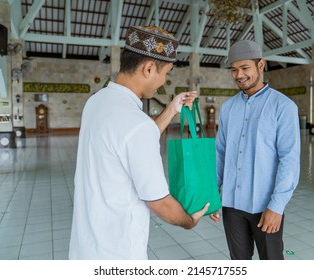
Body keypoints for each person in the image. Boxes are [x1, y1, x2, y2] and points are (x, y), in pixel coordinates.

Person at [69, 26, 209, 260]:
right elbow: (160, 203)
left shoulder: (97, 101)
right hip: (119, 255)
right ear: (149, 68)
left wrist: (172, 109)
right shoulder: (136, 124)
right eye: (166, 73)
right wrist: (189, 221)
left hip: (85, 249)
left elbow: (131, 140)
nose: (163, 82)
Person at [210, 40, 300, 260]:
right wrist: (212, 195)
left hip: (265, 205)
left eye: (244, 68)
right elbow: (220, 152)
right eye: (234, 69)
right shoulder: (229, 108)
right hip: (231, 205)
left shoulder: (283, 107)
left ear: (261, 65)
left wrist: (277, 207)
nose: (239, 75)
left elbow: (289, 159)